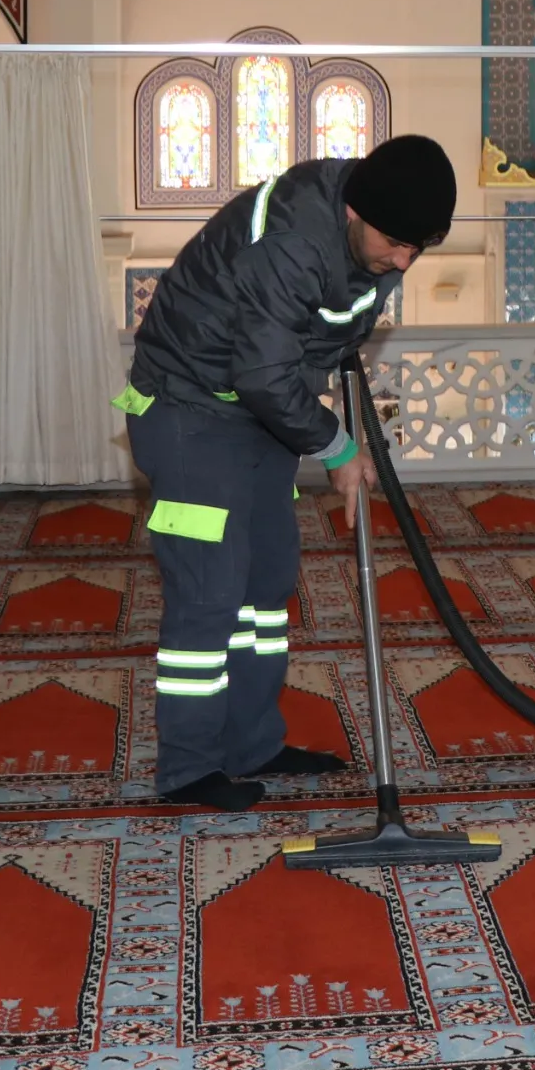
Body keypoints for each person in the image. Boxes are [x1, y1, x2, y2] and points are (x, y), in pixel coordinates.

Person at [114, 134, 457, 811]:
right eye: (396, 243)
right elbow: (264, 368)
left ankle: (252, 744)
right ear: (354, 212)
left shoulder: (385, 234)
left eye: (419, 247)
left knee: (266, 584)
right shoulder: (291, 240)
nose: (405, 260)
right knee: (208, 593)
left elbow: (323, 336)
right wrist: (335, 448)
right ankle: (188, 769)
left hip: (261, 415)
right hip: (187, 412)